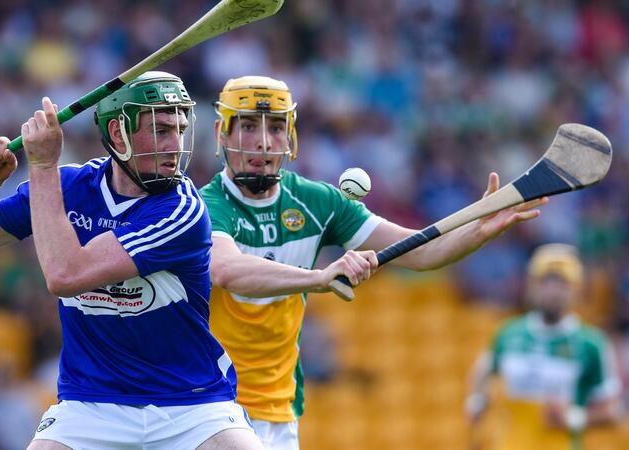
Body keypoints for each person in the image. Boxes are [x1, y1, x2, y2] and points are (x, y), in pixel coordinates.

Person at [199, 75, 548, 449]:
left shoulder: (318, 203)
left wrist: (478, 229)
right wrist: (319, 278)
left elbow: (420, 250)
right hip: (212, 406)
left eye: (275, 127)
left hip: (280, 411)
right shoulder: (203, 206)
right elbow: (227, 270)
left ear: (290, 136)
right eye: (248, 126)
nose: (264, 141)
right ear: (221, 133)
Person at [0, 71, 263, 450]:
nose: (175, 145)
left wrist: (42, 167)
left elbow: (65, 275)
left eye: (180, 129)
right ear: (117, 134)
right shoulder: (71, 187)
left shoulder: (182, 211)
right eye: (160, 130)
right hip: (90, 404)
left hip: (191, 403)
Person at [466, 243, 622, 450]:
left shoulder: (591, 344)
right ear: (532, 286)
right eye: (545, 281)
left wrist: (573, 418)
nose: (552, 291)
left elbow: (613, 410)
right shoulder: (508, 333)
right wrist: (477, 401)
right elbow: (485, 367)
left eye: (562, 283)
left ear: (576, 289)